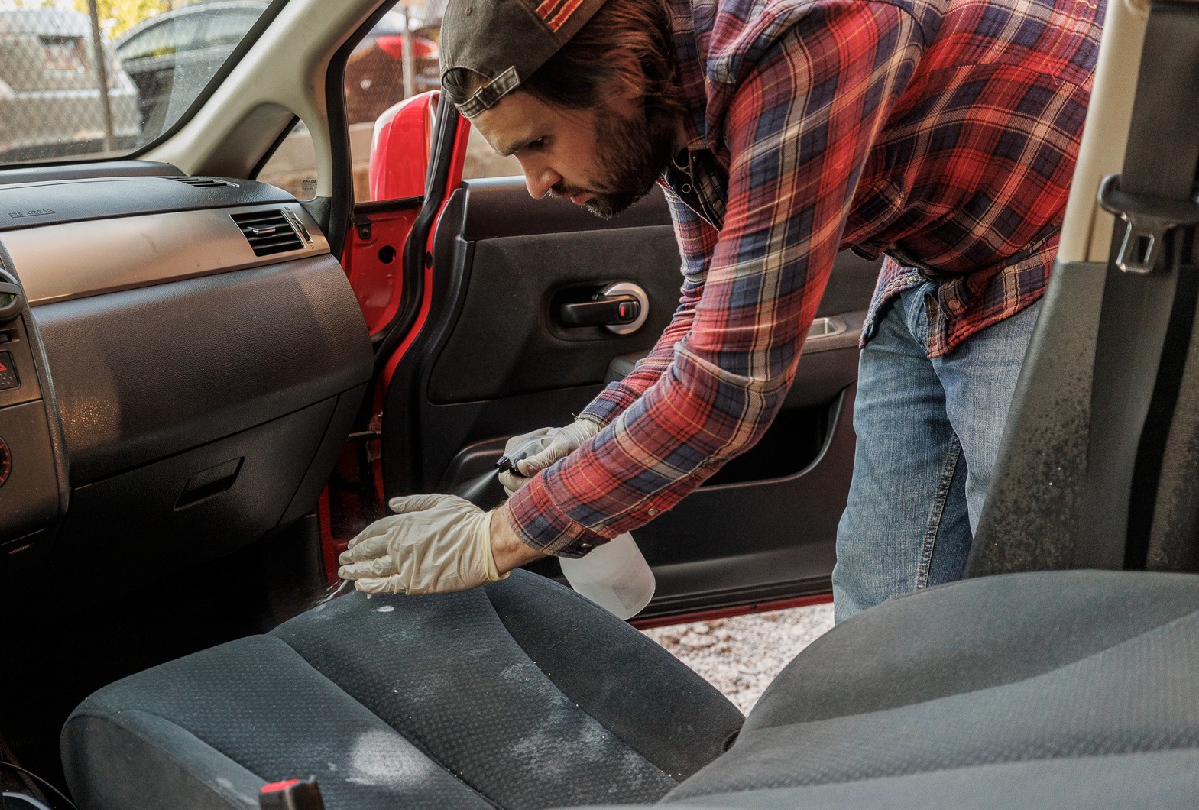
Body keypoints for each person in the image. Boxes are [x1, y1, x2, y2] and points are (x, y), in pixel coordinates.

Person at [338, 0, 1101, 620]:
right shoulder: (665, 95)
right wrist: (599, 423)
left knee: (1040, 601)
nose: (537, 182)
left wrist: (499, 537)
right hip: (930, 261)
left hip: (1056, 242)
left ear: (622, 77)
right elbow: (708, 300)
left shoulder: (802, 40)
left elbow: (726, 388)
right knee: (882, 600)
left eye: (537, 143)